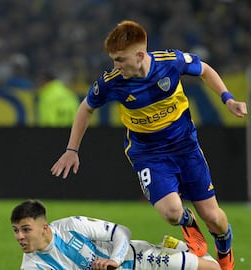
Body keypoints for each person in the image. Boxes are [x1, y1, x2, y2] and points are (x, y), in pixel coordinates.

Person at [50, 20, 247, 270]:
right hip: (148, 154)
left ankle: (224, 249)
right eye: (113, 59)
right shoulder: (112, 81)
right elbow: (86, 107)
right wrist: (72, 150)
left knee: (214, 218)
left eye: (120, 59)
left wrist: (227, 99)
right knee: (172, 212)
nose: (115, 66)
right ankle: (187, 221)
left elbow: (205, 69)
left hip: (185, 147)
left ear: (140, 55)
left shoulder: (170, 62)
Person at [11, 199, 219, 270]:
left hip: (136, 259)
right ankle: (179, 247)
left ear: (44, 228)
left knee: (213, 268)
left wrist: (114, 259)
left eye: (26, 230)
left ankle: (181, 246)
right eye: (16, 231)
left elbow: (121, 231)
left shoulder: (71, 226)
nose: (20, 236)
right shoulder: (32, 266)